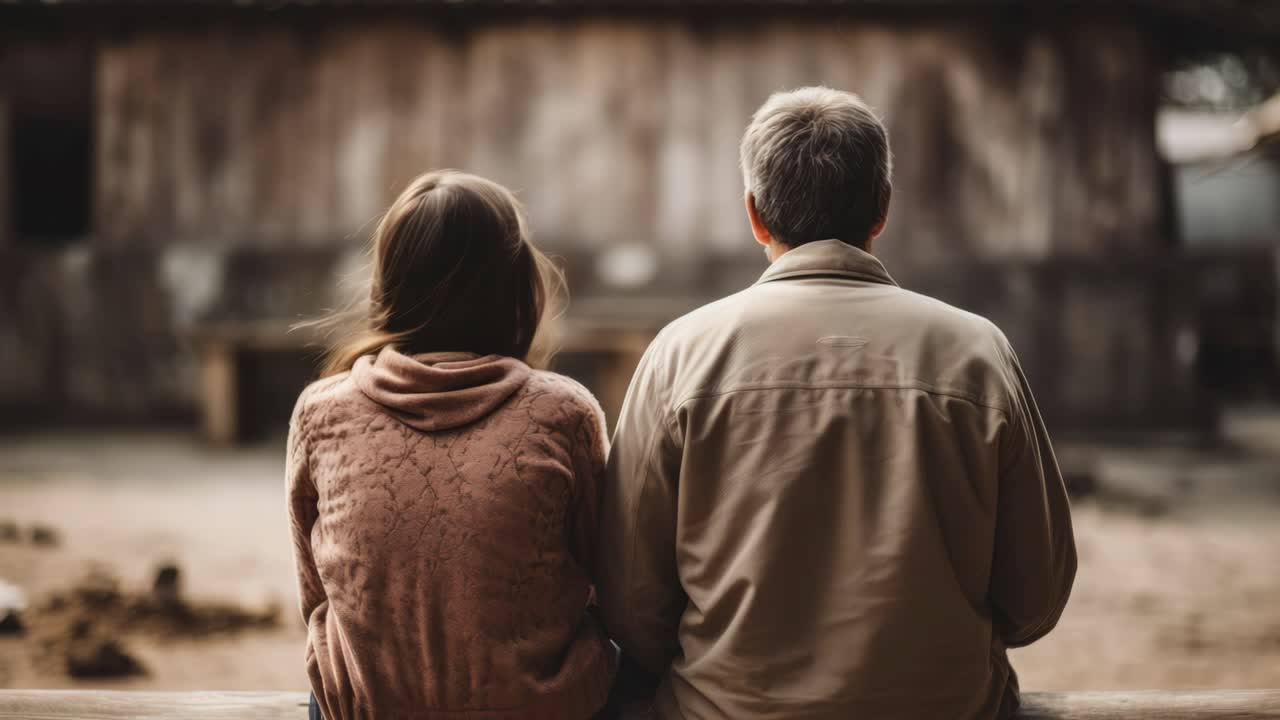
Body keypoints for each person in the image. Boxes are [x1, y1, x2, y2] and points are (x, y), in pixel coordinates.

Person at [597, 87, 1077, 719]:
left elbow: (631, 608)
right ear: (881, 207)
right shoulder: (976, 352)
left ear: (755, 216)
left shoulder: (682, 354)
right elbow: (1034, 600)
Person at [286, 170, 616, 720]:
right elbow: (607, 583)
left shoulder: (321, 412)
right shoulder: (564, 412)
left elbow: (316, 594)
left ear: (387, 284)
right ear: (516, 285)